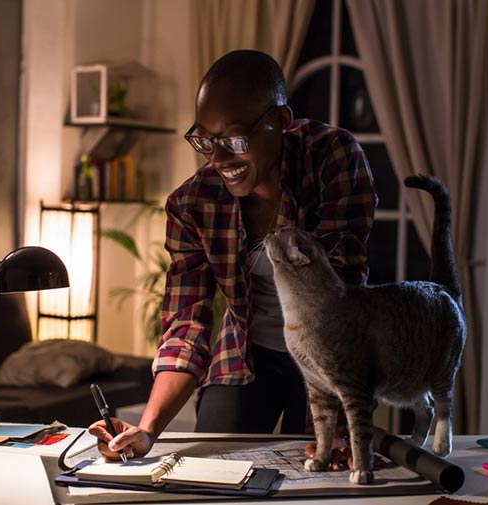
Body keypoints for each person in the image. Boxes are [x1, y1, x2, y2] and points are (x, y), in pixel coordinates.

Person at [89, 49, 377, 461]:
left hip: (329, 350)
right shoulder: (193, 204)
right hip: (246, 349)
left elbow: (340, 295)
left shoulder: (333, 160)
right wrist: (146, 430)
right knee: (214, 468)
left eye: (235, 139)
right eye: (206, 139)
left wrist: (344, 423)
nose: (219, 158)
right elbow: (186, 324)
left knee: (327, 468)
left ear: (280, 122)